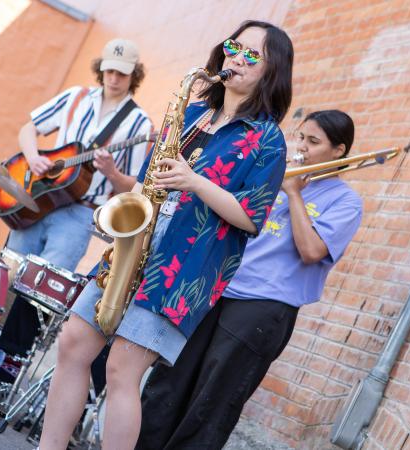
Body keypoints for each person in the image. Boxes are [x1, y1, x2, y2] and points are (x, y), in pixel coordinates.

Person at [38, 20, 294, 450]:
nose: (236, 57)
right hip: (135, 248)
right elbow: (144, 185)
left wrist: (195, 182)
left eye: (252, 54)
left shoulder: (269, 140)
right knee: (72, 345)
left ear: (273, 71)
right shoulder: (191, 115)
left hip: (185, 269)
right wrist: (118, 219)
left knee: (122, 371)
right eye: (234, 47)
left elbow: (252, 216)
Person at [135, 110, 363, 450]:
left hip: (264, 307)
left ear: (339, 150)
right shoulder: (272, 176)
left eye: (313, 141)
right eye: (300, 136)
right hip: (216, 288)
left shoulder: (346, 201)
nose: (301, 146)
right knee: (168, 382)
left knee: (212, 402)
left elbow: (312, 251)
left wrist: (294, 194)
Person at [0, 38, 153, 394]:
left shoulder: (140, 124)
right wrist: (33, 156)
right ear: (101, 69)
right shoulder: (75, 97)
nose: (114, 78)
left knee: (41, 290)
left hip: (80, 214)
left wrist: (111, 171)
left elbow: (132, 187)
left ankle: (4, 371)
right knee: (9, 276)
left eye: (122, 74)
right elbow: (29, 128)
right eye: (109, 70)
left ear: (134, 76)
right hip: (34, 199)